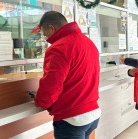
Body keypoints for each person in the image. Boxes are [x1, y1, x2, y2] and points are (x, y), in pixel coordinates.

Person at [35, 11, 101, 139]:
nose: (46, 39)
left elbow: (52, 83)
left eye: (45, 34)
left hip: (72, 117)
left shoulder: (59, 47)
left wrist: (42, 101)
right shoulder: (88, 42)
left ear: (51, 28)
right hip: (92, 112)